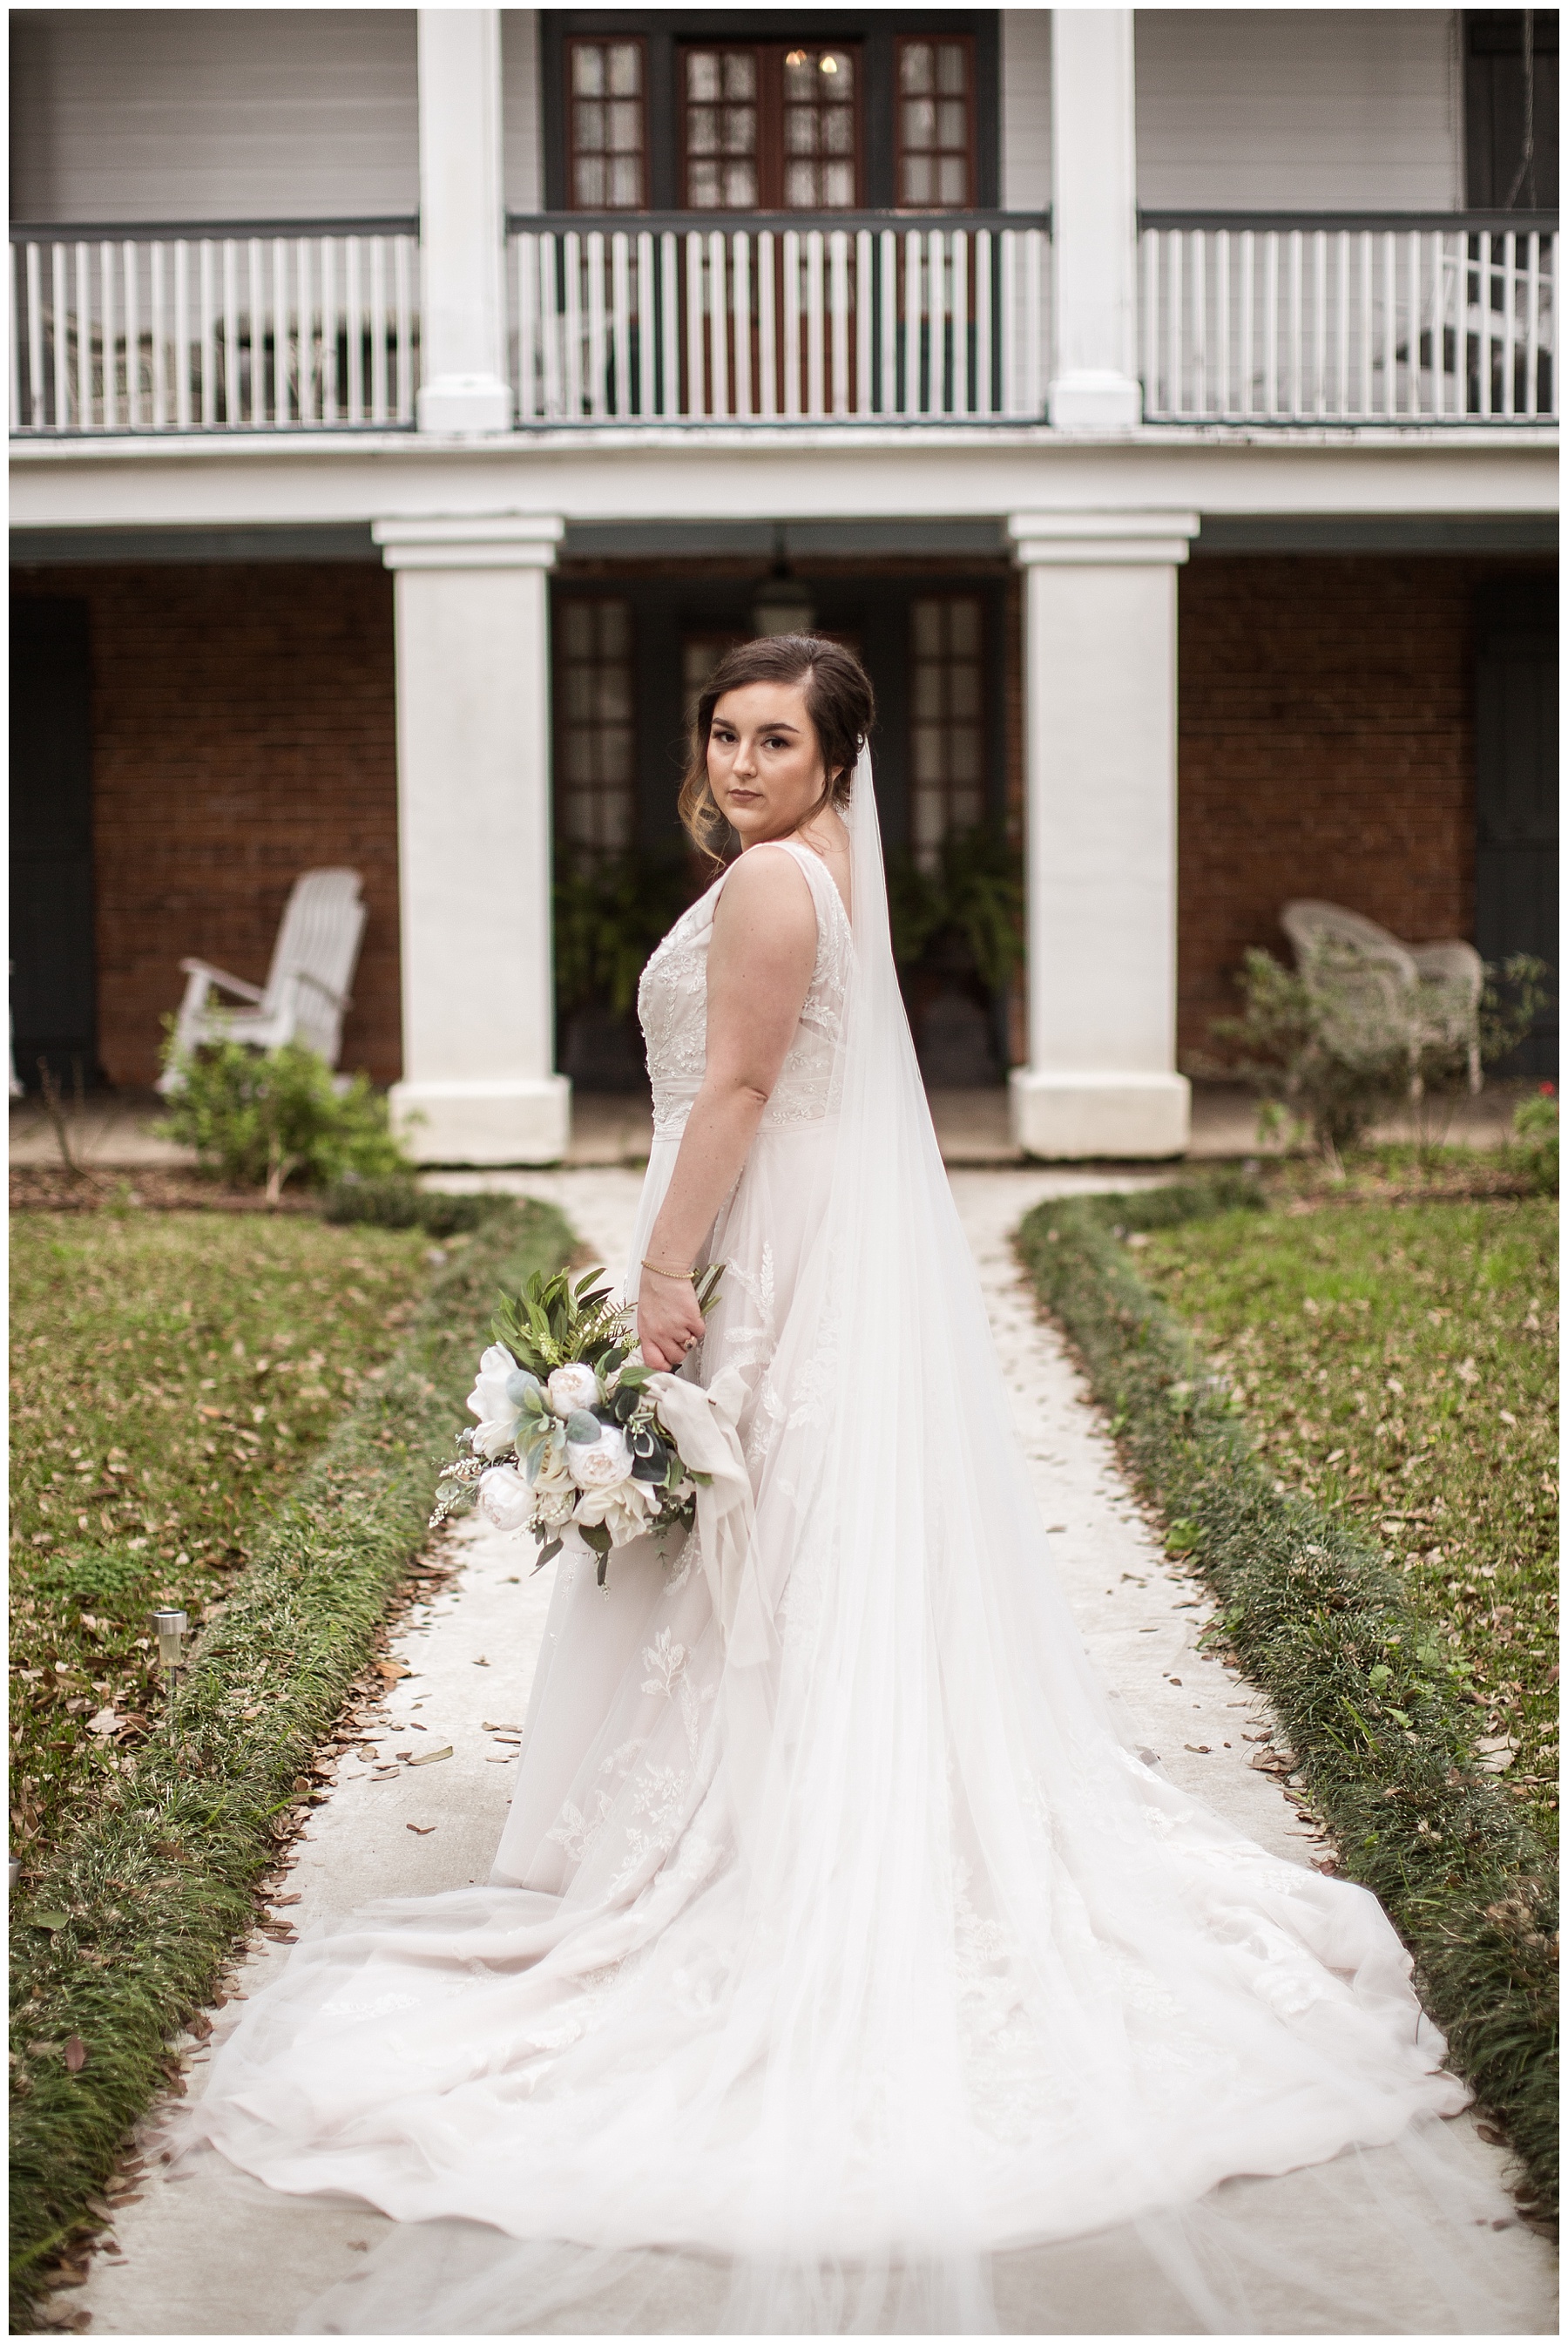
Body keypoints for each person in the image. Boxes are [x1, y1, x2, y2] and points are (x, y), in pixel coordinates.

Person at [189, 636, 1517, 2335]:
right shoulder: (809, 875)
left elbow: (736, 1085)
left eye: (774, 741)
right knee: (785, 1541)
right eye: (725, 735)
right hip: (808, 1234)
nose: (742, 764)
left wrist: (662, 1275)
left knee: (762, 1537)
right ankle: (800, 1794)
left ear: (836, 761)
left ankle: (768, 1832)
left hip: (759, 1242)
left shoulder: (766, 890)